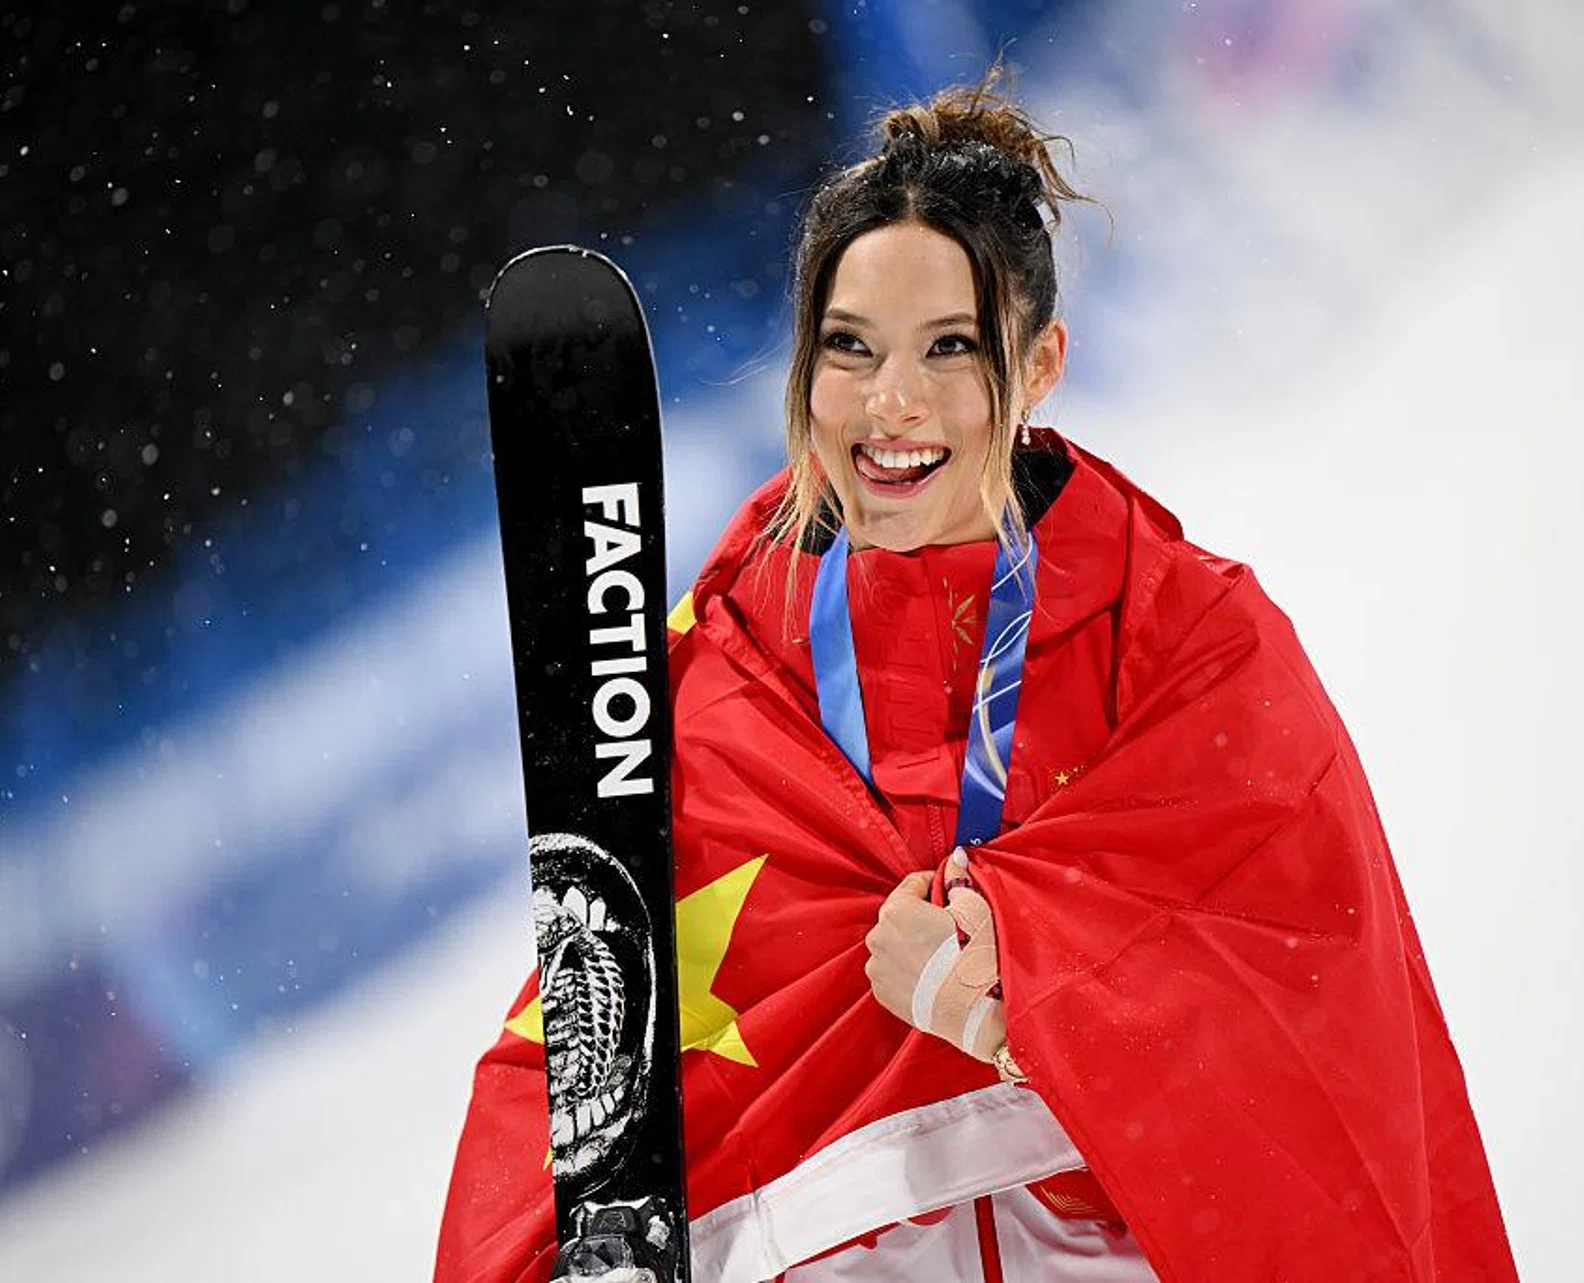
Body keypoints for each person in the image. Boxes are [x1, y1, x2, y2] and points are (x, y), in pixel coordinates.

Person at [437, 76, 1518, 1282]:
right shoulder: (709, 685)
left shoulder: (1189, 644)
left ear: (1042, 360)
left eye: (949, 348)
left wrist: (1027, 1004)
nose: (890, 402)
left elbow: (1326, 1043)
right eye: (850, 348)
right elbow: (580, 1067)